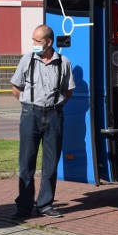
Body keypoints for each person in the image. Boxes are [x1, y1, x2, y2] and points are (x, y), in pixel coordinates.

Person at [10, 24, 75, 219]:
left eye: (37, 41)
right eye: (33, 40)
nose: (33, 44)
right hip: (31, 114)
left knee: (51, 161)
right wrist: (27, 103)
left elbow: (68, 90)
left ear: (48, 42)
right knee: (26, 161)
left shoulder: (63, 62)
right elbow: (16, 87)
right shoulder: (27, 60)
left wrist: (57, 104)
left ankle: (45, 204)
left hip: (54, 114)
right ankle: (24, 207)